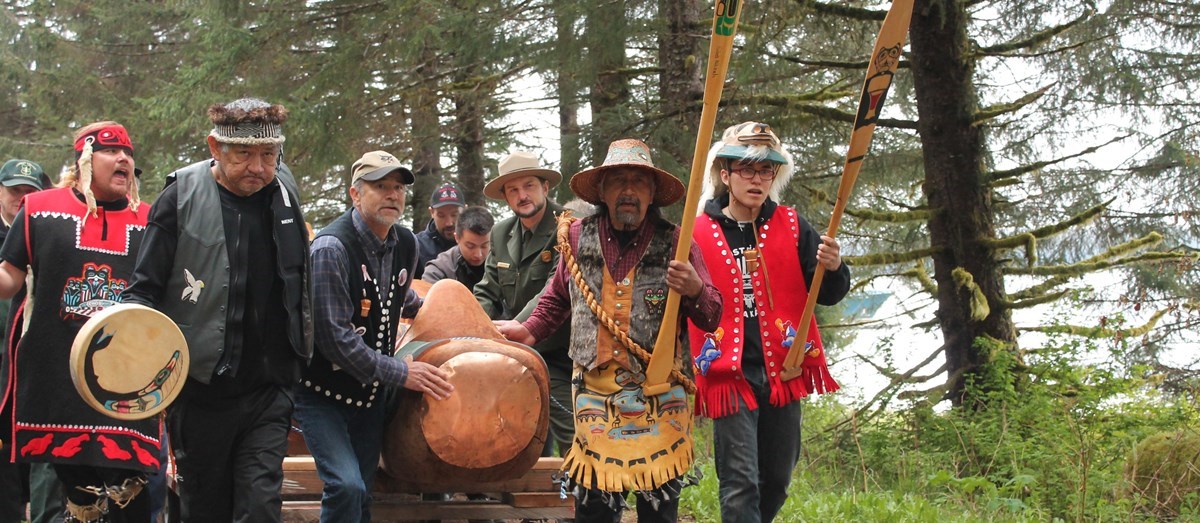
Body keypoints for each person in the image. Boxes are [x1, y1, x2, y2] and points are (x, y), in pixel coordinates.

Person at [497, 139, 722, 523]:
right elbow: (556, 300)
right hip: (594, 399)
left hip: (659, 395)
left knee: (659, 509)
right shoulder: (574, 236)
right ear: (602, 191)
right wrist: (526, 331)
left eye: (639, 182)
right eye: (618, 181)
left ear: (653, 193)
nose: (629, 191)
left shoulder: (677, 242)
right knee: (594, 508)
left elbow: (713, 314)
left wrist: (695, 290)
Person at [123, 98, 312, 522]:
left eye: (268, 155)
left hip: (269, 388)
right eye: (243, 154)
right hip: (199, 390)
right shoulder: (179, 198)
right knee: (204, 510)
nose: (258, 168)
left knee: (260, 508)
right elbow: (142, 293)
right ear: (215, 147)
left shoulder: (285, 192)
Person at [688, 122, 849, 523]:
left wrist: (834, 267)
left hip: (785, 369)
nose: (756, 179)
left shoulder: (794, 226)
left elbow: (826, 293)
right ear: (725, 174)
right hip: (729, 373)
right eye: (746, 169)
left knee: (776, 479)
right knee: (740, 481)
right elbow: (681, 306)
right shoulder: (696, 233)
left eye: (765, 171)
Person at [0, 122, 157, 522]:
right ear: (85, 160)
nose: (123, 158)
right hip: (57, 376)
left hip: (126, 379)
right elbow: (10, 279)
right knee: (79, 491)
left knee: (129, 493)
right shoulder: (39, 209)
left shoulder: (150, 220)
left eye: (128, 152)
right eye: (111, 151)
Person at [294, 150, 454, 523]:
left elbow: (401, 299)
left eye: (397, 187)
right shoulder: (330, 249)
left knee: (364, 491)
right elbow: (334, 337)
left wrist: (463, 319)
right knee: (346, 486)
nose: (392, 195)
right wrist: (402, 373)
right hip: (322, 395)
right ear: (354, 193)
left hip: (369, 396)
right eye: (380, 186)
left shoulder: (405, 243)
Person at [473, 150, 575, 458]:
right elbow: (487, 289)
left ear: (545, 187)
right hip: (515, 352)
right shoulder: (501, 233)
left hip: (561, 355)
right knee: (507, 430)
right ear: (504, 197)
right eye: (513, 190)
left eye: (529, 185)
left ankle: (593, 500)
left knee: (573, 434)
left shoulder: (569, 227)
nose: (522, 195)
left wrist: (519, 328)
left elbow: (553, 289)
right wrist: (472, 325)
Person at [421, 205, 494, 288]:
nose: (478, 254)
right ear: (457, 238)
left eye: (484, 246)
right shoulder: (440, 269)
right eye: (470, 246)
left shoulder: (503, 261)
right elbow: (427, 297)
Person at [414, 182, 465, 279]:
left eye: (454, 215)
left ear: (465, 211)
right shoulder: (417, 246)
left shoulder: (476, 244)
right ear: (432, 212)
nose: (449, 223)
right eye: (441, 216)